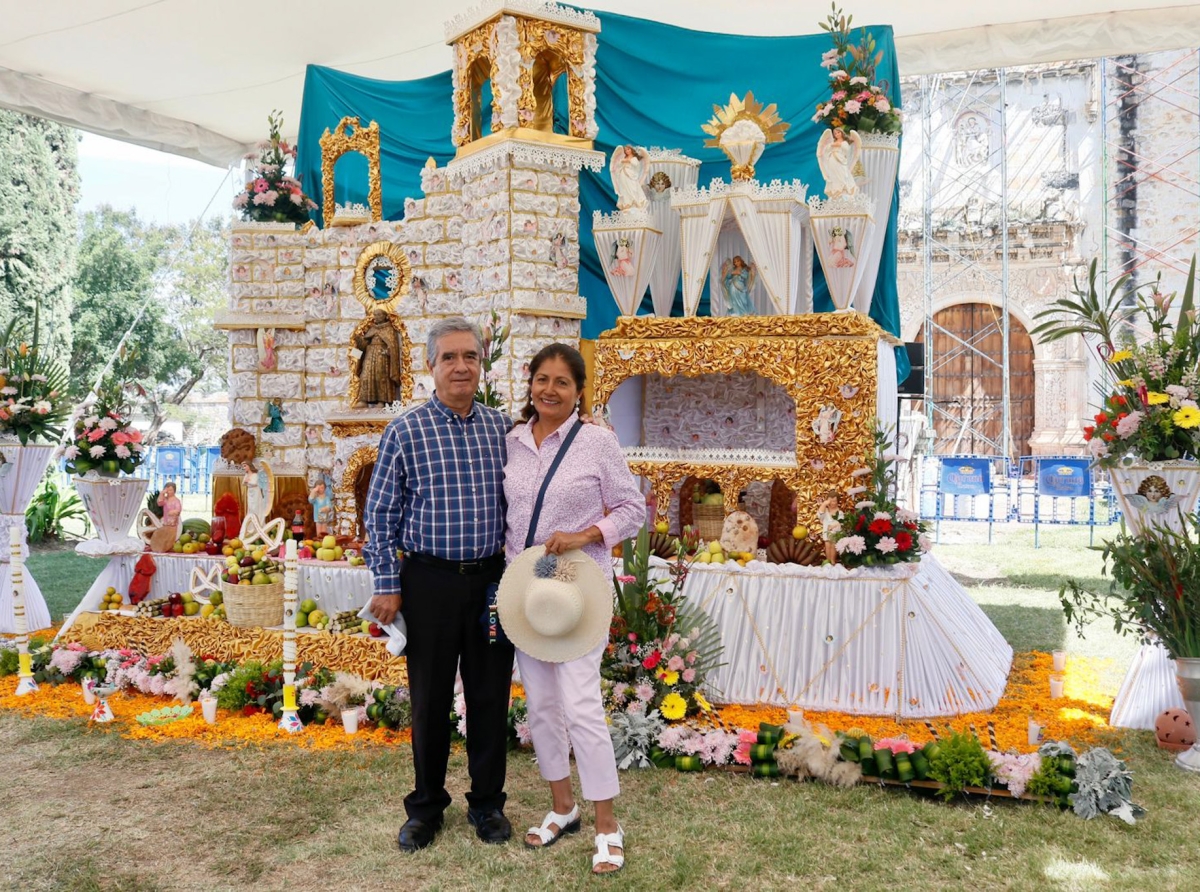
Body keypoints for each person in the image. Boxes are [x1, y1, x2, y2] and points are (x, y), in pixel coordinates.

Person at [363, 317, 515, 853]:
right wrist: (387, 582)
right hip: (427, 583)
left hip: (494, 586)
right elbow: (379, 515)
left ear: (481, 364)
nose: (460, 366)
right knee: (429, 699)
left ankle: (488, 805)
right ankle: (426, 808)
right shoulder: (404, 431)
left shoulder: (504, 429)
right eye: (448, 357)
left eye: (469, 356)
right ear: (430, 367)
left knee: (490, 694)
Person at [503, 343, 644, 875]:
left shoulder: (597, 443)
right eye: (542, 379)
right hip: (528, 592)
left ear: (579, 390)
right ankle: (563, 807)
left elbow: (633, 508)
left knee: (581, 704)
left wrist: (587, 533)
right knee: (540, 706)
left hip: (578, 589)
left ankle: (608, 824)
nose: (549, 390)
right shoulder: (511, 442)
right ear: (530, 384)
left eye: (562, 382)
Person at [353, 309, 404, 408]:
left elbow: (393, 346)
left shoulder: (389, 329)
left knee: (380, 377)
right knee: (365, 375)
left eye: (379, 314)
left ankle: (382, 401)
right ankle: (363, 400)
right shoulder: (371, 329)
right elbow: (363, 346)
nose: (377, 316)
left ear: (385, 316)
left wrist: (388, 352)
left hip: (382, 357)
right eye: (375, 314)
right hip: (369, 354)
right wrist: (358, 341)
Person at [816, 127, 860, 198]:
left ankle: (844, 190)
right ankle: (836, 192)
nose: (837, 134)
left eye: (838, 132)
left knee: (843, 175)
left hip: (841, 160)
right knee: (834, 176)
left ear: (842, 133)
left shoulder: (844, 142)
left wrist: (839, 145)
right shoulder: (833, 142)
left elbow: (846, 149)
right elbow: (826, 149)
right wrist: (830, 145)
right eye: (835, 133)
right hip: (832, 161)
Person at [609, 144, 648, 211]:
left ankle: (634, 203)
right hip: (623, 176)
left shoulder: (634, 158)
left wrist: (628, 161)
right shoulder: (624, 158)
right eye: (625, 150)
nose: (627, 151)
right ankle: (626, 204)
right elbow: (618, 166)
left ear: (632, 150)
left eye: (628, 149)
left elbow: (636, 164)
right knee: (624, 190)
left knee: (632, 189)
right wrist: (621, 162)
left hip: (631, 176)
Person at [149, 482, 182, 553]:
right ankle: (164, 546)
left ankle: (171, 545)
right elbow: (159, 502)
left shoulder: (176, 501)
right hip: (166, 521)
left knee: (172, 535)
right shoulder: (165, 500)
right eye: (168, 490)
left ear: (174, 491)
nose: (169, 492)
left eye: (171, 490)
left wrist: (173, 512)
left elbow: (178, 510)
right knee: (165, 534)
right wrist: (162, 493)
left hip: (173, 523)